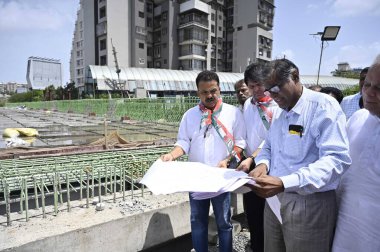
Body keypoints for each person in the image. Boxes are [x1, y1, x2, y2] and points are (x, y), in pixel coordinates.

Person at [248, 58, 351, 252]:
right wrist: (262, 165)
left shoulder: (322, 106)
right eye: (268, 90)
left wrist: (285, 182)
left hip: (308, 203)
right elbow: (268, 146)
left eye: (276, 88)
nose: (273, 96)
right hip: (274, 201)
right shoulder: (280, 110)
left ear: (295, 77)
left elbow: (336, 159)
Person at [161, 70, 246, 252]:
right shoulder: (189, 115)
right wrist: (171, 155)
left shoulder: (233, 113)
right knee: (197, 221)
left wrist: (227, 160)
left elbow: (240, 144)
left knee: (224, 221)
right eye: (204, 92)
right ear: (197, 92)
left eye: (213, 91)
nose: (209, 95)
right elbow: (183, 142)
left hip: (220, 176)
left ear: (220, 89)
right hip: (196, 178)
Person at [332, 55, 380, 251]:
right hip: (344, 224)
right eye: (367, 84)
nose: (368, 92)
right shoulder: (358, 118)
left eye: (379, 88)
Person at [236, 63, 278, 252]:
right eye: (251, 86)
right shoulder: (248, 104)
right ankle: (256, 245)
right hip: (250, 165)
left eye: (259, 85)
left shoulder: (277, 104)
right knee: (252, 211)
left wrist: (252, 158)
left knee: (271, 213)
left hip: (271, 165)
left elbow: (272, 138)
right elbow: (246, 133)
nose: (256, 90)